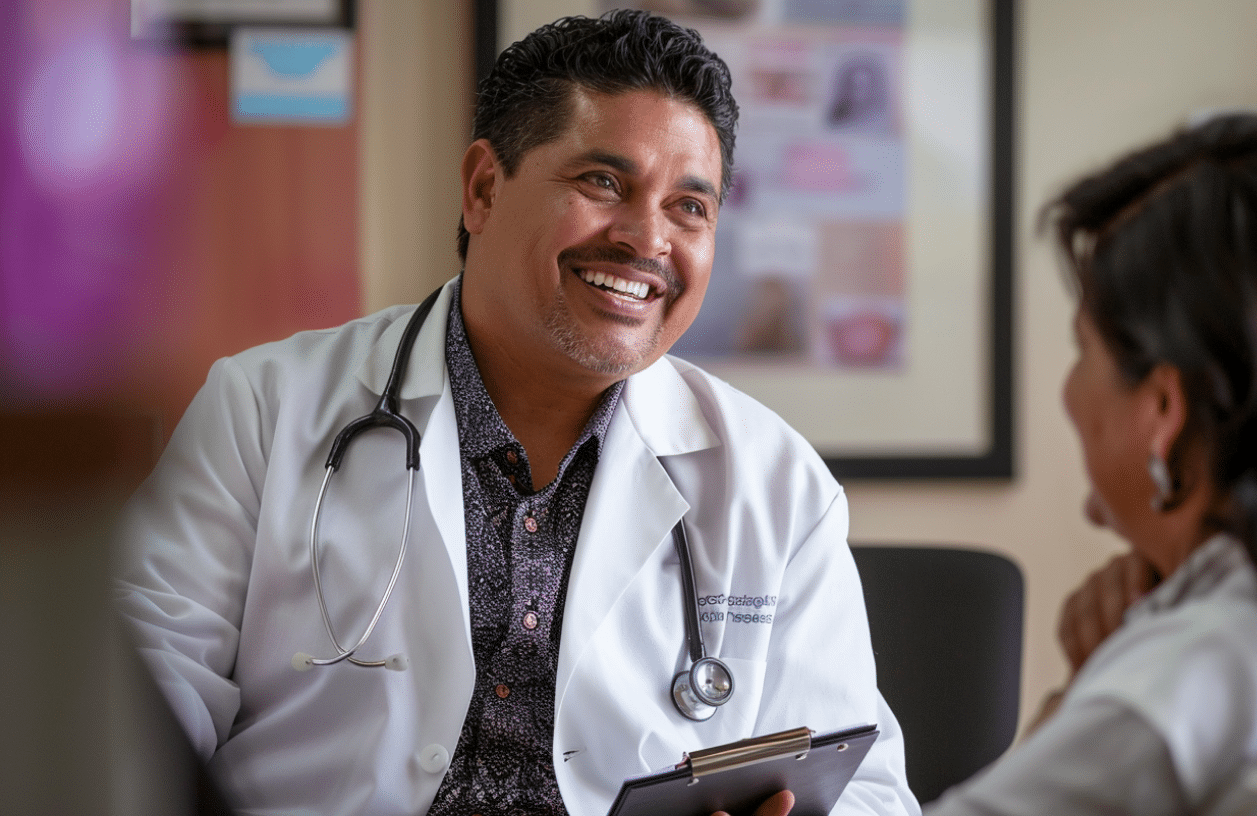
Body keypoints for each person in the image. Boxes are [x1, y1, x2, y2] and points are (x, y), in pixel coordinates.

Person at [112, 11, 917, 816]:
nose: (647, 238)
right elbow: (128, 723)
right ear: (483, 189)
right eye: (603, 183)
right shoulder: (264, 410)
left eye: (689, 208)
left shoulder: (775, 483)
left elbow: (865, 787)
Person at [927, 114, 1257, 815]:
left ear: (1163, 410)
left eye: (1084, 348)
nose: (1069, 390)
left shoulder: (1166, 699)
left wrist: (1079, 697)